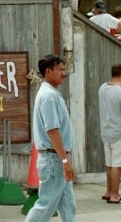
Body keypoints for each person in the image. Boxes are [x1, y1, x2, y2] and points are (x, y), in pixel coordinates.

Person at [25, 54, 76, 222]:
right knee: (45, 206)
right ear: (48, 71)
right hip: (54, 159)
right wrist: (64, 161)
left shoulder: (51, 94)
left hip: (57, 157)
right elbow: (52, 130)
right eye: (60, 69)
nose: (64, 73)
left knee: (68, 206)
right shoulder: (49, 96)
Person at [98, 63, 121, 204]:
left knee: (109, 163)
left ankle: (108, 191)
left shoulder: (102, 88)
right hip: (120, 133)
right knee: (117, 165)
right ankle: (115, 194)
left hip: (106, 132)